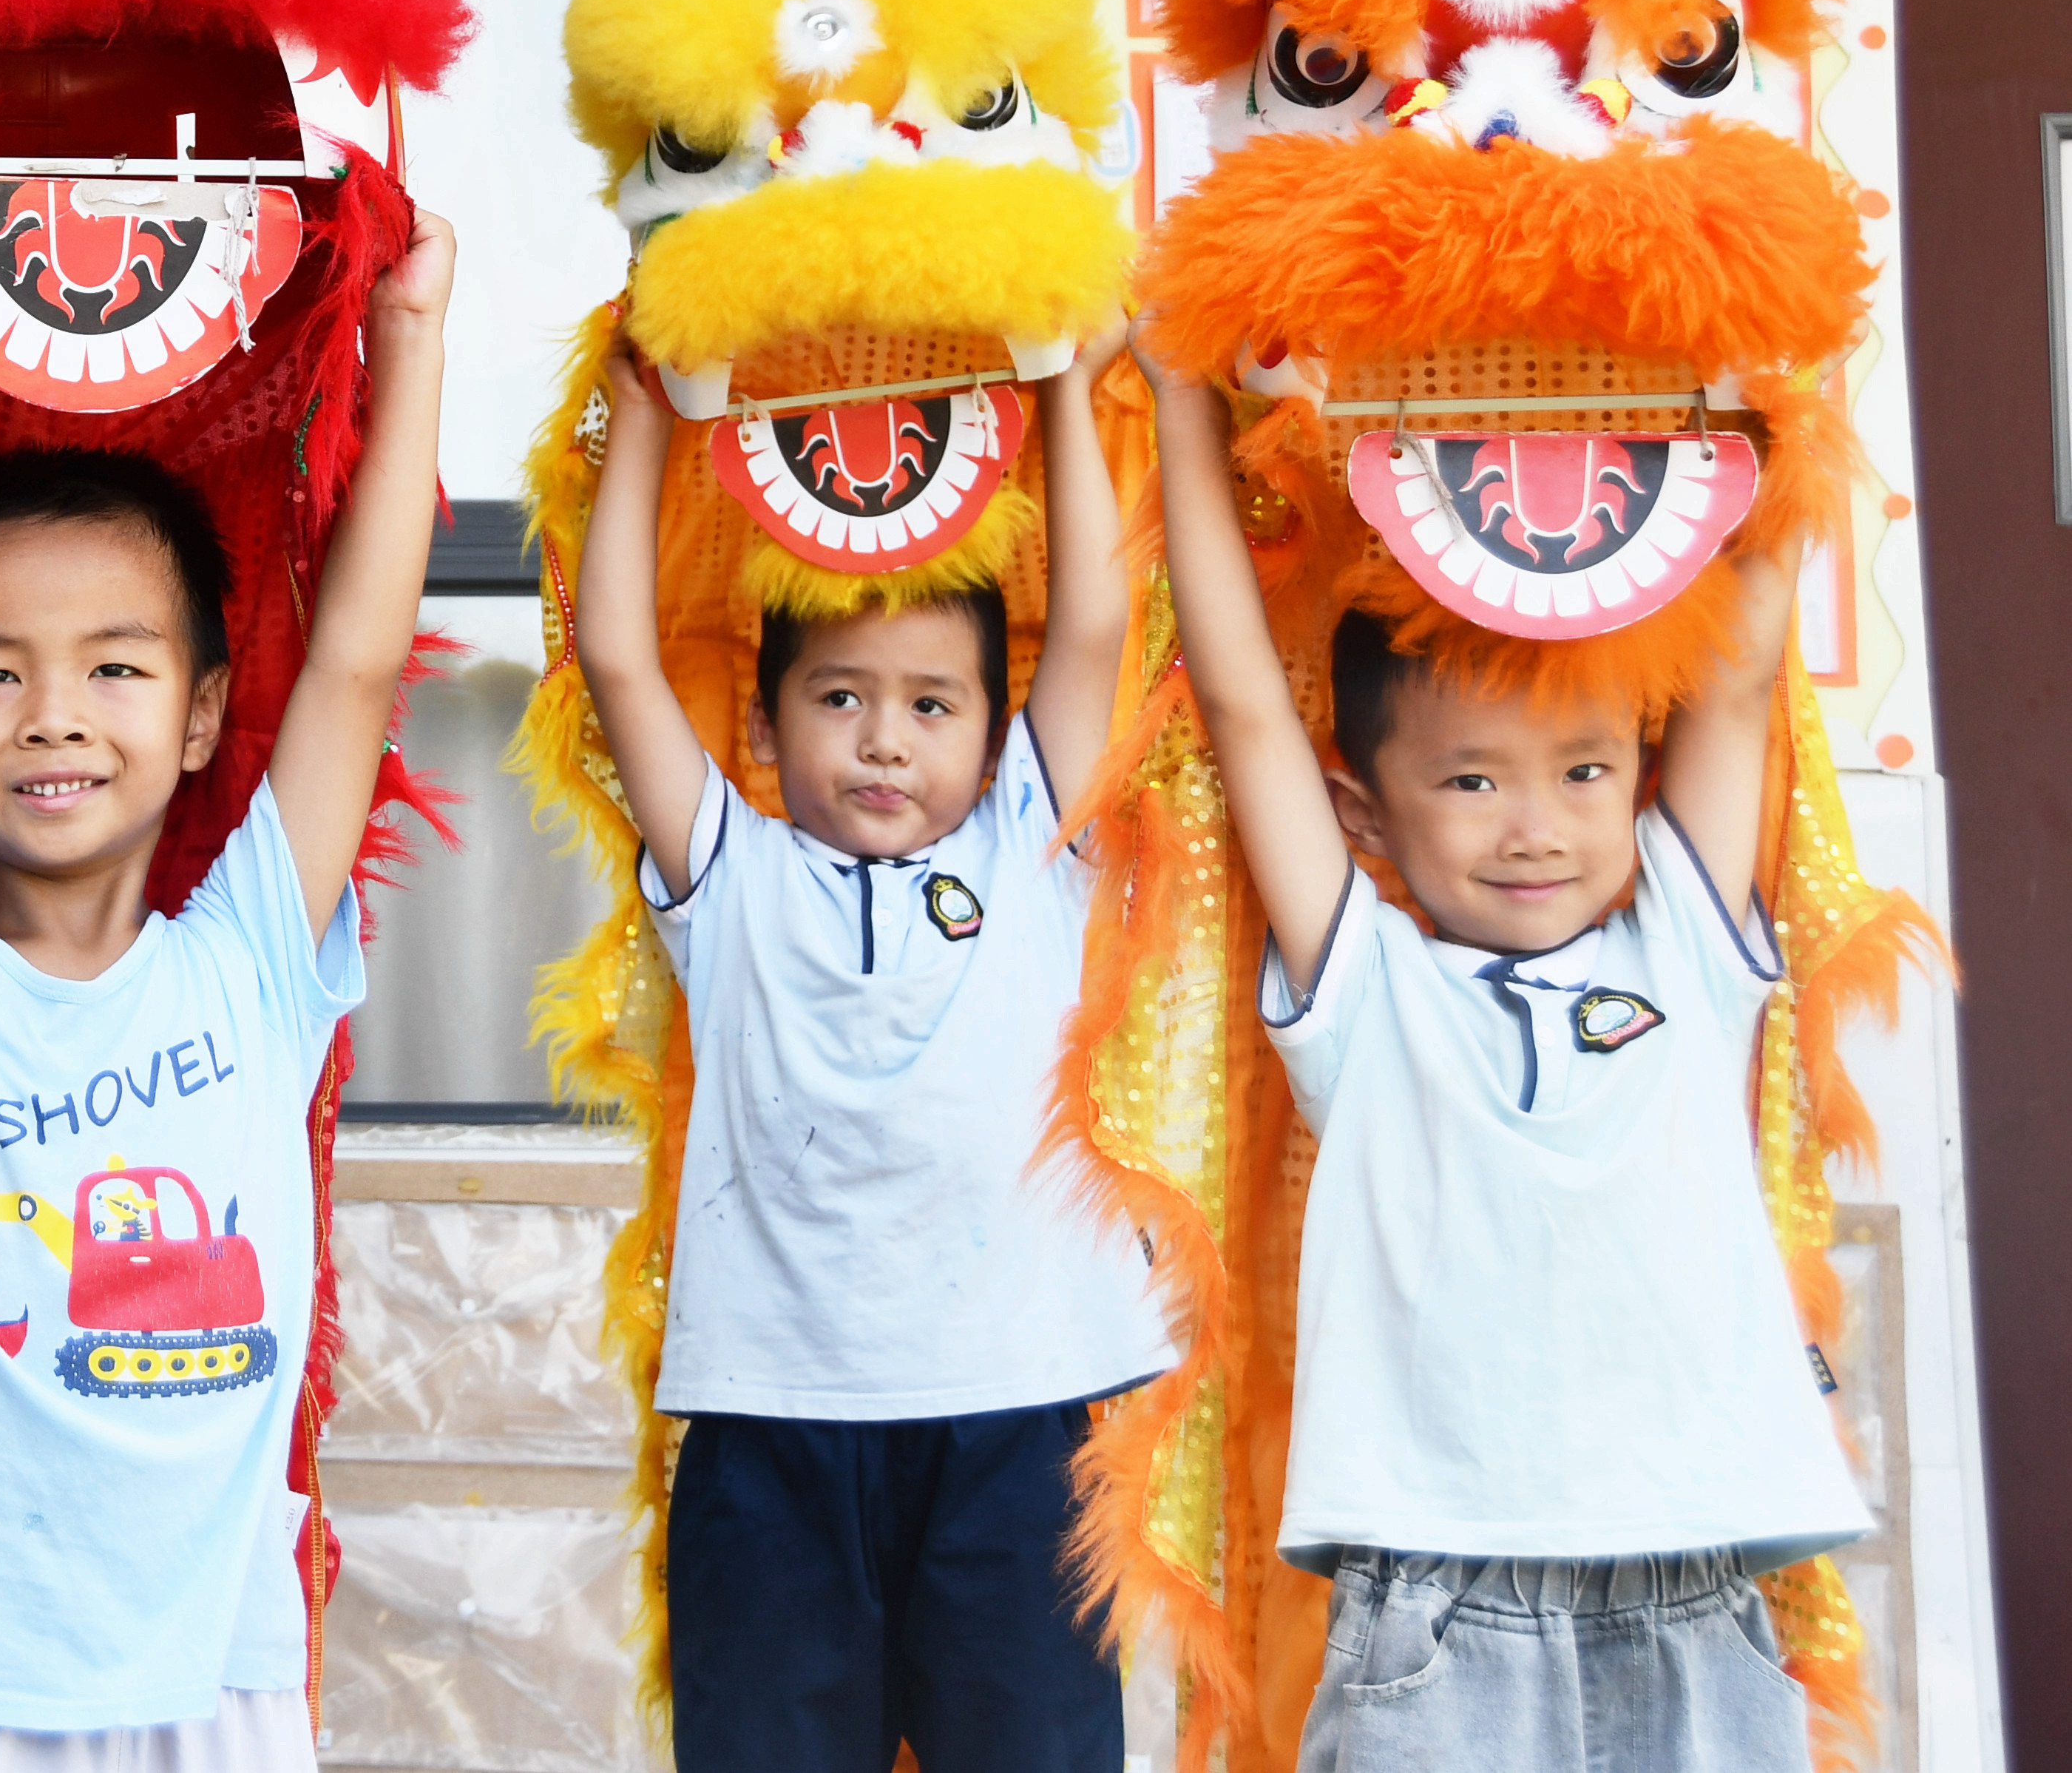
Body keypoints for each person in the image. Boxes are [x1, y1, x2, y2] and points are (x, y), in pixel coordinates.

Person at [0, 186, 451, 1772]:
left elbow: (360, 662)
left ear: (198, 713)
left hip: (208, 1670)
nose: (55, 714)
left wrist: (413, 342)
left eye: (116, 664)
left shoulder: (252, 954)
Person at [1145, 348, 1866, 1771]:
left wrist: (1788, 401)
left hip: (1696, 1597)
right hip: (1436, 1618)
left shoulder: (1685, 957)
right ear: (1364, 813)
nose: (1536, 825)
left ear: (1636, 782)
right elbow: (1239, 705)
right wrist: (1177, 396)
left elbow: (1736, 686)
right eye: (1473, 780)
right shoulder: (1370, 996)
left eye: (1584, 772)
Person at [570, 331, 1171, 1773]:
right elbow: (616, 655)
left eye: (931, 701)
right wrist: (650, 410)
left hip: (1020, 1423)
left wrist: (1057, 392)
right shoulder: (732, 872)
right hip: (775, 1434)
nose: (885, 738)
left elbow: (1091, 621)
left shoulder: (1034, 839)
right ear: (769, 728)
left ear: (987, 725)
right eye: (838, 695)